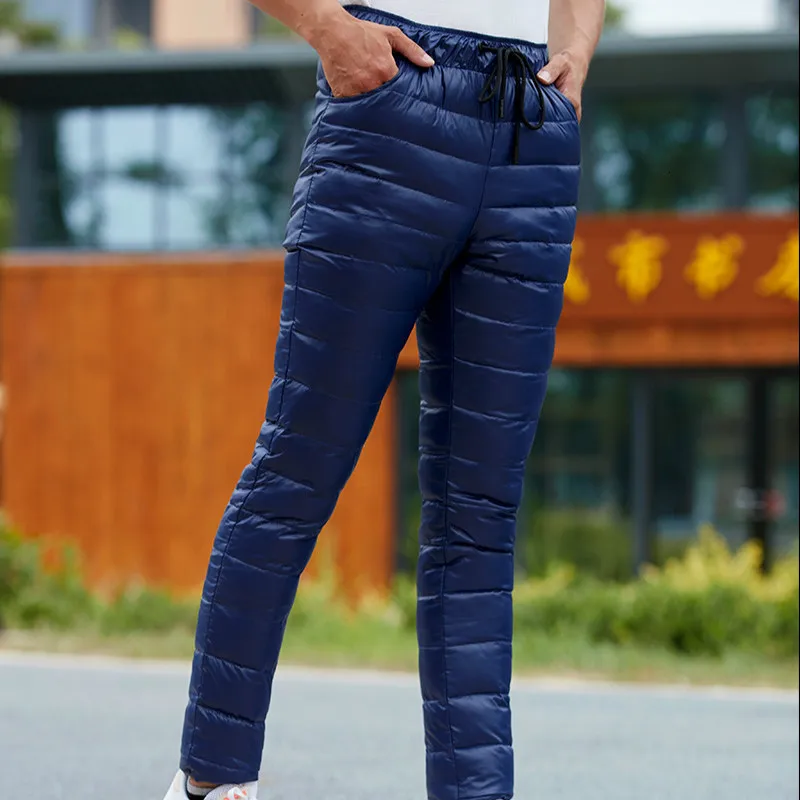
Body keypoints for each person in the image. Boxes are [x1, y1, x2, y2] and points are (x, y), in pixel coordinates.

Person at [163, 0, 604, 798]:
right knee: (296, 471)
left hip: (532, 126)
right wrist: (329, 30)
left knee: (481, 516)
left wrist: (576, 53)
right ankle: (213, 781)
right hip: (391, 98)